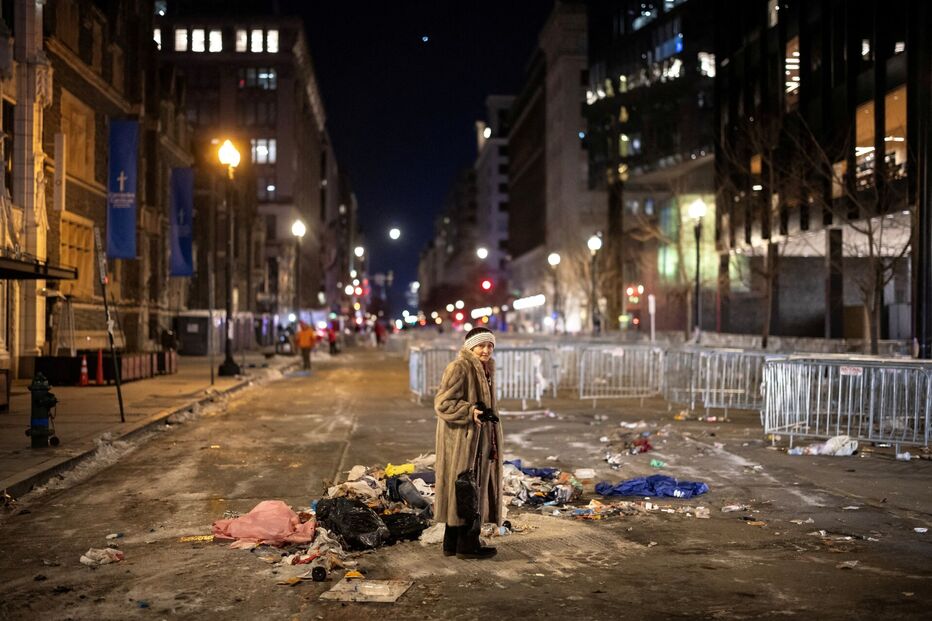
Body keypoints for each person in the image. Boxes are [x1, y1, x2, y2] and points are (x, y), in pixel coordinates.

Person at [433, 326, 503, 559]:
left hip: (477, 439)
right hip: (461, 441)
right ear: (470, 346)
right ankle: (467, 546)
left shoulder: (485, 369)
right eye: (481, 345)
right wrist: (470, 410)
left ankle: (451, 544)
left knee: (464, 488)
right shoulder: (459, 367)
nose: (485, 350)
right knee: (467, 489)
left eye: (490, 346)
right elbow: (443, 403)